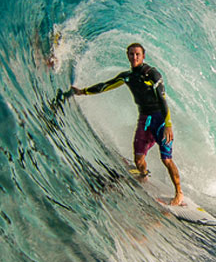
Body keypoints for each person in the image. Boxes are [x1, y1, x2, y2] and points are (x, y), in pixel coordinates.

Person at [71, 43, 184, 206]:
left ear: (143, 56)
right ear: (127, 56)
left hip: (160, 119)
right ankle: (144, 175)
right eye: (131, 54)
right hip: (144, 119)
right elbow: (105, 86)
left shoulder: (152, 74)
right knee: (138, 160)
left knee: (166, 159)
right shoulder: (127, 77)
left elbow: (162, 99)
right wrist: (83, 91)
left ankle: (179, 193)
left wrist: (168, 124)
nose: (134, 57)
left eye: (137, 54)